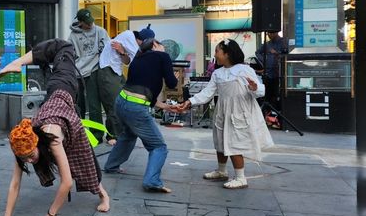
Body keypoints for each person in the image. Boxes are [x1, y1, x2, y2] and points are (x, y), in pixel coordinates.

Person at [0, 39, 110, 216]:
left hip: (62, 87)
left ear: (36, 143)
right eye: (24, 157)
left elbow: (67, 183)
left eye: (29, 155)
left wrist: (51, 214)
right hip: (59, 110)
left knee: (65, 47)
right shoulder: (22, 145)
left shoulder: (51, 139)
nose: (28, 160)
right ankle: (25, 62)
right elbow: (15, 184)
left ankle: (19, 62)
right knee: (82, 155)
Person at [177, 39, 273, 189]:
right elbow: (207, 93)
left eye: (217, 51)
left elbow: (260, 91)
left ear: (227, 54)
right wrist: (190, 102)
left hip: (239, 111)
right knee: (220, 141)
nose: (215, 54)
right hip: (222, 110)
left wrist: (254, 88)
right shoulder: (217, 73)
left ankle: (241, 177)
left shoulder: (244, 70)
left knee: (234, 143)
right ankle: (222, 171)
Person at [102, 38, 179, 193]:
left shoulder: (138, 58)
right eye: (162, 45)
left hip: (121, 102)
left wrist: (164, 106)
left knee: (128, 135)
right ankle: (152, 181)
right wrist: (173, 74)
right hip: (135, 108)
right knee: (158, 146)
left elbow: (140, 89)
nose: (165, 48)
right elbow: (172, 84)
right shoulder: (162, 56)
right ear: (155, 45)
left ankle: (111, 166)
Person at [68, 8, 109, 143]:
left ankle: (97, 135)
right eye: (86, 22)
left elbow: (107, 49)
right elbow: (69, 52)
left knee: (94, 104)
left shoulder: (100, 31)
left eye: (90, 21)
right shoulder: (73, 35)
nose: (90, 24)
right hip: (78, 72)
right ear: (80, 23)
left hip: (94, 70)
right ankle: (80, 133)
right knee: (78, 104)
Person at [95, 29, 140, 145]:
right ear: (137, 39)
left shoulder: (125, 43)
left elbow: (127, 61)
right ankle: (112, 135)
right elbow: (139, 58)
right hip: (107, 70)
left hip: (117, 72)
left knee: (124, 101)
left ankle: (121, 132)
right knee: (113, 104)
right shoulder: (129, 35)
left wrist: (122, 52)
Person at [256, 31, 287, 112]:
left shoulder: (283, 42)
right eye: (268, 33)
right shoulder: (267, 44)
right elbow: (257, 53)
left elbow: (287, 53)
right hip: (268, 73)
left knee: (277, 95)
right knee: (268, 95)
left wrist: (277, 53)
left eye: (272, 33)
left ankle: (277, 113)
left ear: (276, 33)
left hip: (280, 73)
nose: (270, 35)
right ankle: (269, 115)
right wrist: (264, 60)